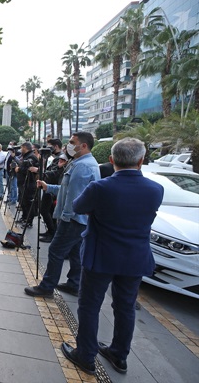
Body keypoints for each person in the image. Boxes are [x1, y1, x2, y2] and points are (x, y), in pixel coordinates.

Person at [60, 138, 164, 376]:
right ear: (141, 161)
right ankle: (119, 354)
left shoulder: (102, 187)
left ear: (111, 160)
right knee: (126, 307)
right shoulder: (155, 189)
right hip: (135, 258)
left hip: (100, 256)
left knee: (89, 306)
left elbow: (78, 206)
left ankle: (85, 355)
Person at [24, 132, 100, 298]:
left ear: (84, 145)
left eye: (73, 142)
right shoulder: (81, 163)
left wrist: (64, 218)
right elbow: (67, 190)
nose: (69, 146)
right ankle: (74, 283)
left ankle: (47, 287)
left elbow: (74, 197)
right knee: (75, 253)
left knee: (56, 251)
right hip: (79, 219)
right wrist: (48, 187)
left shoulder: (83, 166)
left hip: (72, 219)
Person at [39, 153, 68, 241]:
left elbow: (56, 174)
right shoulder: (55, 160)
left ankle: (52, 233)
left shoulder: (69, 167)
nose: (60, 161)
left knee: (46, 211)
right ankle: (50, 231)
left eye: (63, 160)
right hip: (49, 188)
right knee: (47, 212)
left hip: (54, 190)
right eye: (60, 159)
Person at [15, 142, 39, 226]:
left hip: (29, 183)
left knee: (28, 203)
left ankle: (29, 221)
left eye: (22, 148)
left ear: (25, 148)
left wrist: (19, 169)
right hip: (22, 182)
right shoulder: (25, 156)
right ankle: (24, 217)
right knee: (23, 202)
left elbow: (29, 169)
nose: (21, 150)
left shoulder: (32, 157)